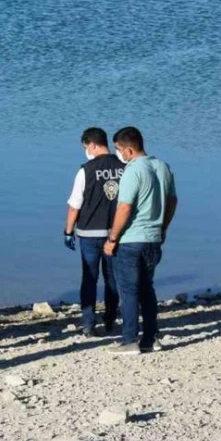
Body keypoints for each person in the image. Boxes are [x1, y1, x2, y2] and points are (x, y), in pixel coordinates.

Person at [104, 126, 178, 355]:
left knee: (129, 291)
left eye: (118, 149)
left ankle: (129, 340)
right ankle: (150, 338)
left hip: (131, 240)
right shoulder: (162, 166)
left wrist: (112, 237)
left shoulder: (133, 170)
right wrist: (163, 227)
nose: (118, 154)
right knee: (148, 290)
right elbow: (173, 201)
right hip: (154, 238)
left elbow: (125, 207)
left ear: (128, 150)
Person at [64, 127, 126, 337]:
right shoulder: (124, 167)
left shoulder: (86, 170)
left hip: (89, 233)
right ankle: (110, 320)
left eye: (85, 147)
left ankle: (89, 323)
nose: (85, 151)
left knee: (89, 278)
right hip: (115, 234)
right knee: (112, 278)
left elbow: (74, 205)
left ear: (91, 145)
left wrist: (68, 231)